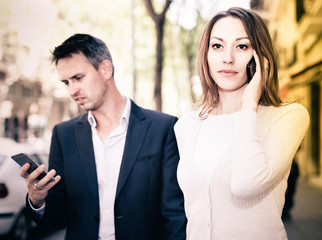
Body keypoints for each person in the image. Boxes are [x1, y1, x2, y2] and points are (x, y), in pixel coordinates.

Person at [19, 33, 187, 240]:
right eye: (66, 82)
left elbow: (175, 213)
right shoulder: (64, 135)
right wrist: (38, 200)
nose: (72, 90)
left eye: (78, 78)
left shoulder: (163, 128)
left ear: (106, 69)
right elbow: (58, 219)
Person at [174, 7, 309, 240]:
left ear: (261, 57)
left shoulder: (288, 116)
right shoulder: (187, 125)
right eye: (217, 46)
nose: (228, 58)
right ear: (205, 54)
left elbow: (246, 184)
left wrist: (249, 105)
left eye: (242, 46)